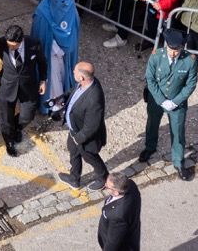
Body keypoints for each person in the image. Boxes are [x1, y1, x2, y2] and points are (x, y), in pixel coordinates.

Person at [141, 29, 198, 180]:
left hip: (177, 102)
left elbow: (191, 84)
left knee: (178, 132)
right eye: (171, 49)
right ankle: (150, 147)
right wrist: (161, 100)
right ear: (166, 45)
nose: (173, 53)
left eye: (177, 50)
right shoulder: (156, 56)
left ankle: (179, 162)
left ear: (182, 47)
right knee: (152, 123)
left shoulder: (189, 60)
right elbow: (150, 79)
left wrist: (175, 102)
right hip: (156, 99)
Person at [0, 25, 46, 156]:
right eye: (9, 45)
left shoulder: (34, 44)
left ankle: (17, 127)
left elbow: (42, 62)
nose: (11, 48)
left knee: (28, 115)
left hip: (28, 86)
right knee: (6, 119)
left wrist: (43, 80)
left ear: (21, 41)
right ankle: (9, 141)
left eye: (14, 46)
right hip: (7, 86)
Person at [60, 62, 108, 192]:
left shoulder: (94, 98)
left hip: (85, 137)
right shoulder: (86, 82)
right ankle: (74, 179)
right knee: (73, 152)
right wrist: (63, 97)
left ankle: (103, 178)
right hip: (75, 130)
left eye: (75, 71)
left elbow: (92, 126)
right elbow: (75, 92)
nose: (73, 72)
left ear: (82, 77)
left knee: (90, 157)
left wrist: (78, 139)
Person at [97, 174, 141, 251]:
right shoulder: (130, 184)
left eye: (107, 187)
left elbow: (113, 242)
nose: (105, 185)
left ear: (116, 192)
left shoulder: (118, 216)